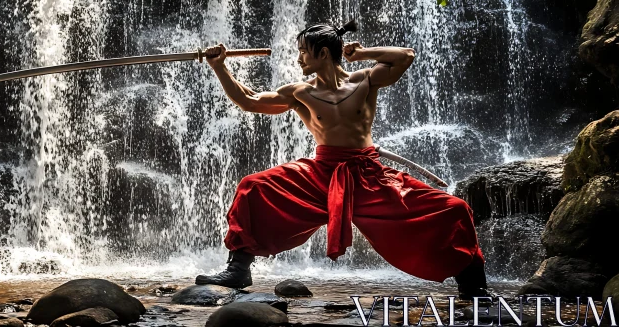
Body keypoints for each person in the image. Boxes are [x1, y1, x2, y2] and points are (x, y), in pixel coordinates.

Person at [195, 21, 489, 298]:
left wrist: (361, 53)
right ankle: (238, 269)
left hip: (369, 175)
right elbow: (250, 100)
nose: (298, 58)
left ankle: (473, 287)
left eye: (302, 51)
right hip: (321, 174)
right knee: (253, 187)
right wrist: (219, 66)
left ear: (322, 53)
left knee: (454, 209)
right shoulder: (300, 92)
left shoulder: (365, 80)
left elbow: (405, 56)